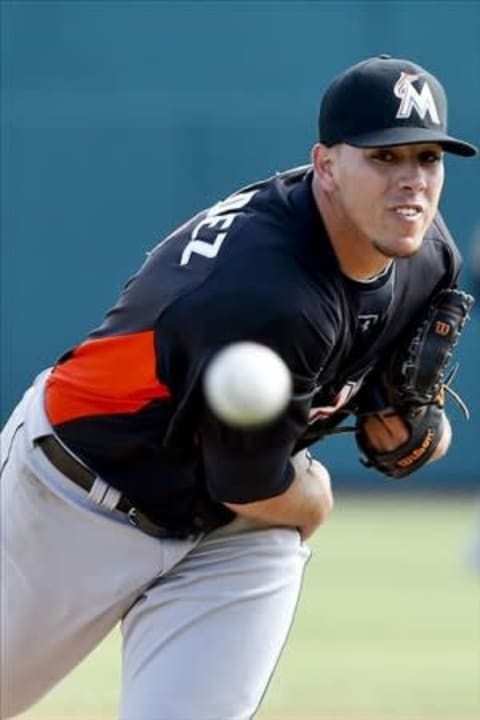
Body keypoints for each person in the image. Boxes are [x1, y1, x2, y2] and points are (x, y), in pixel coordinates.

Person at [1, 54, 477, 720]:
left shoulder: (428, 256)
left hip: (233, 534)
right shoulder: (265, 292)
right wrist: (315, 499)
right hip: (74, 496)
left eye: (428, 158)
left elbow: (377, 406)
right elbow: (254, 484)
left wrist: (401, 420)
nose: (411, 184)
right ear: (326, 165)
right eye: (384, 158)